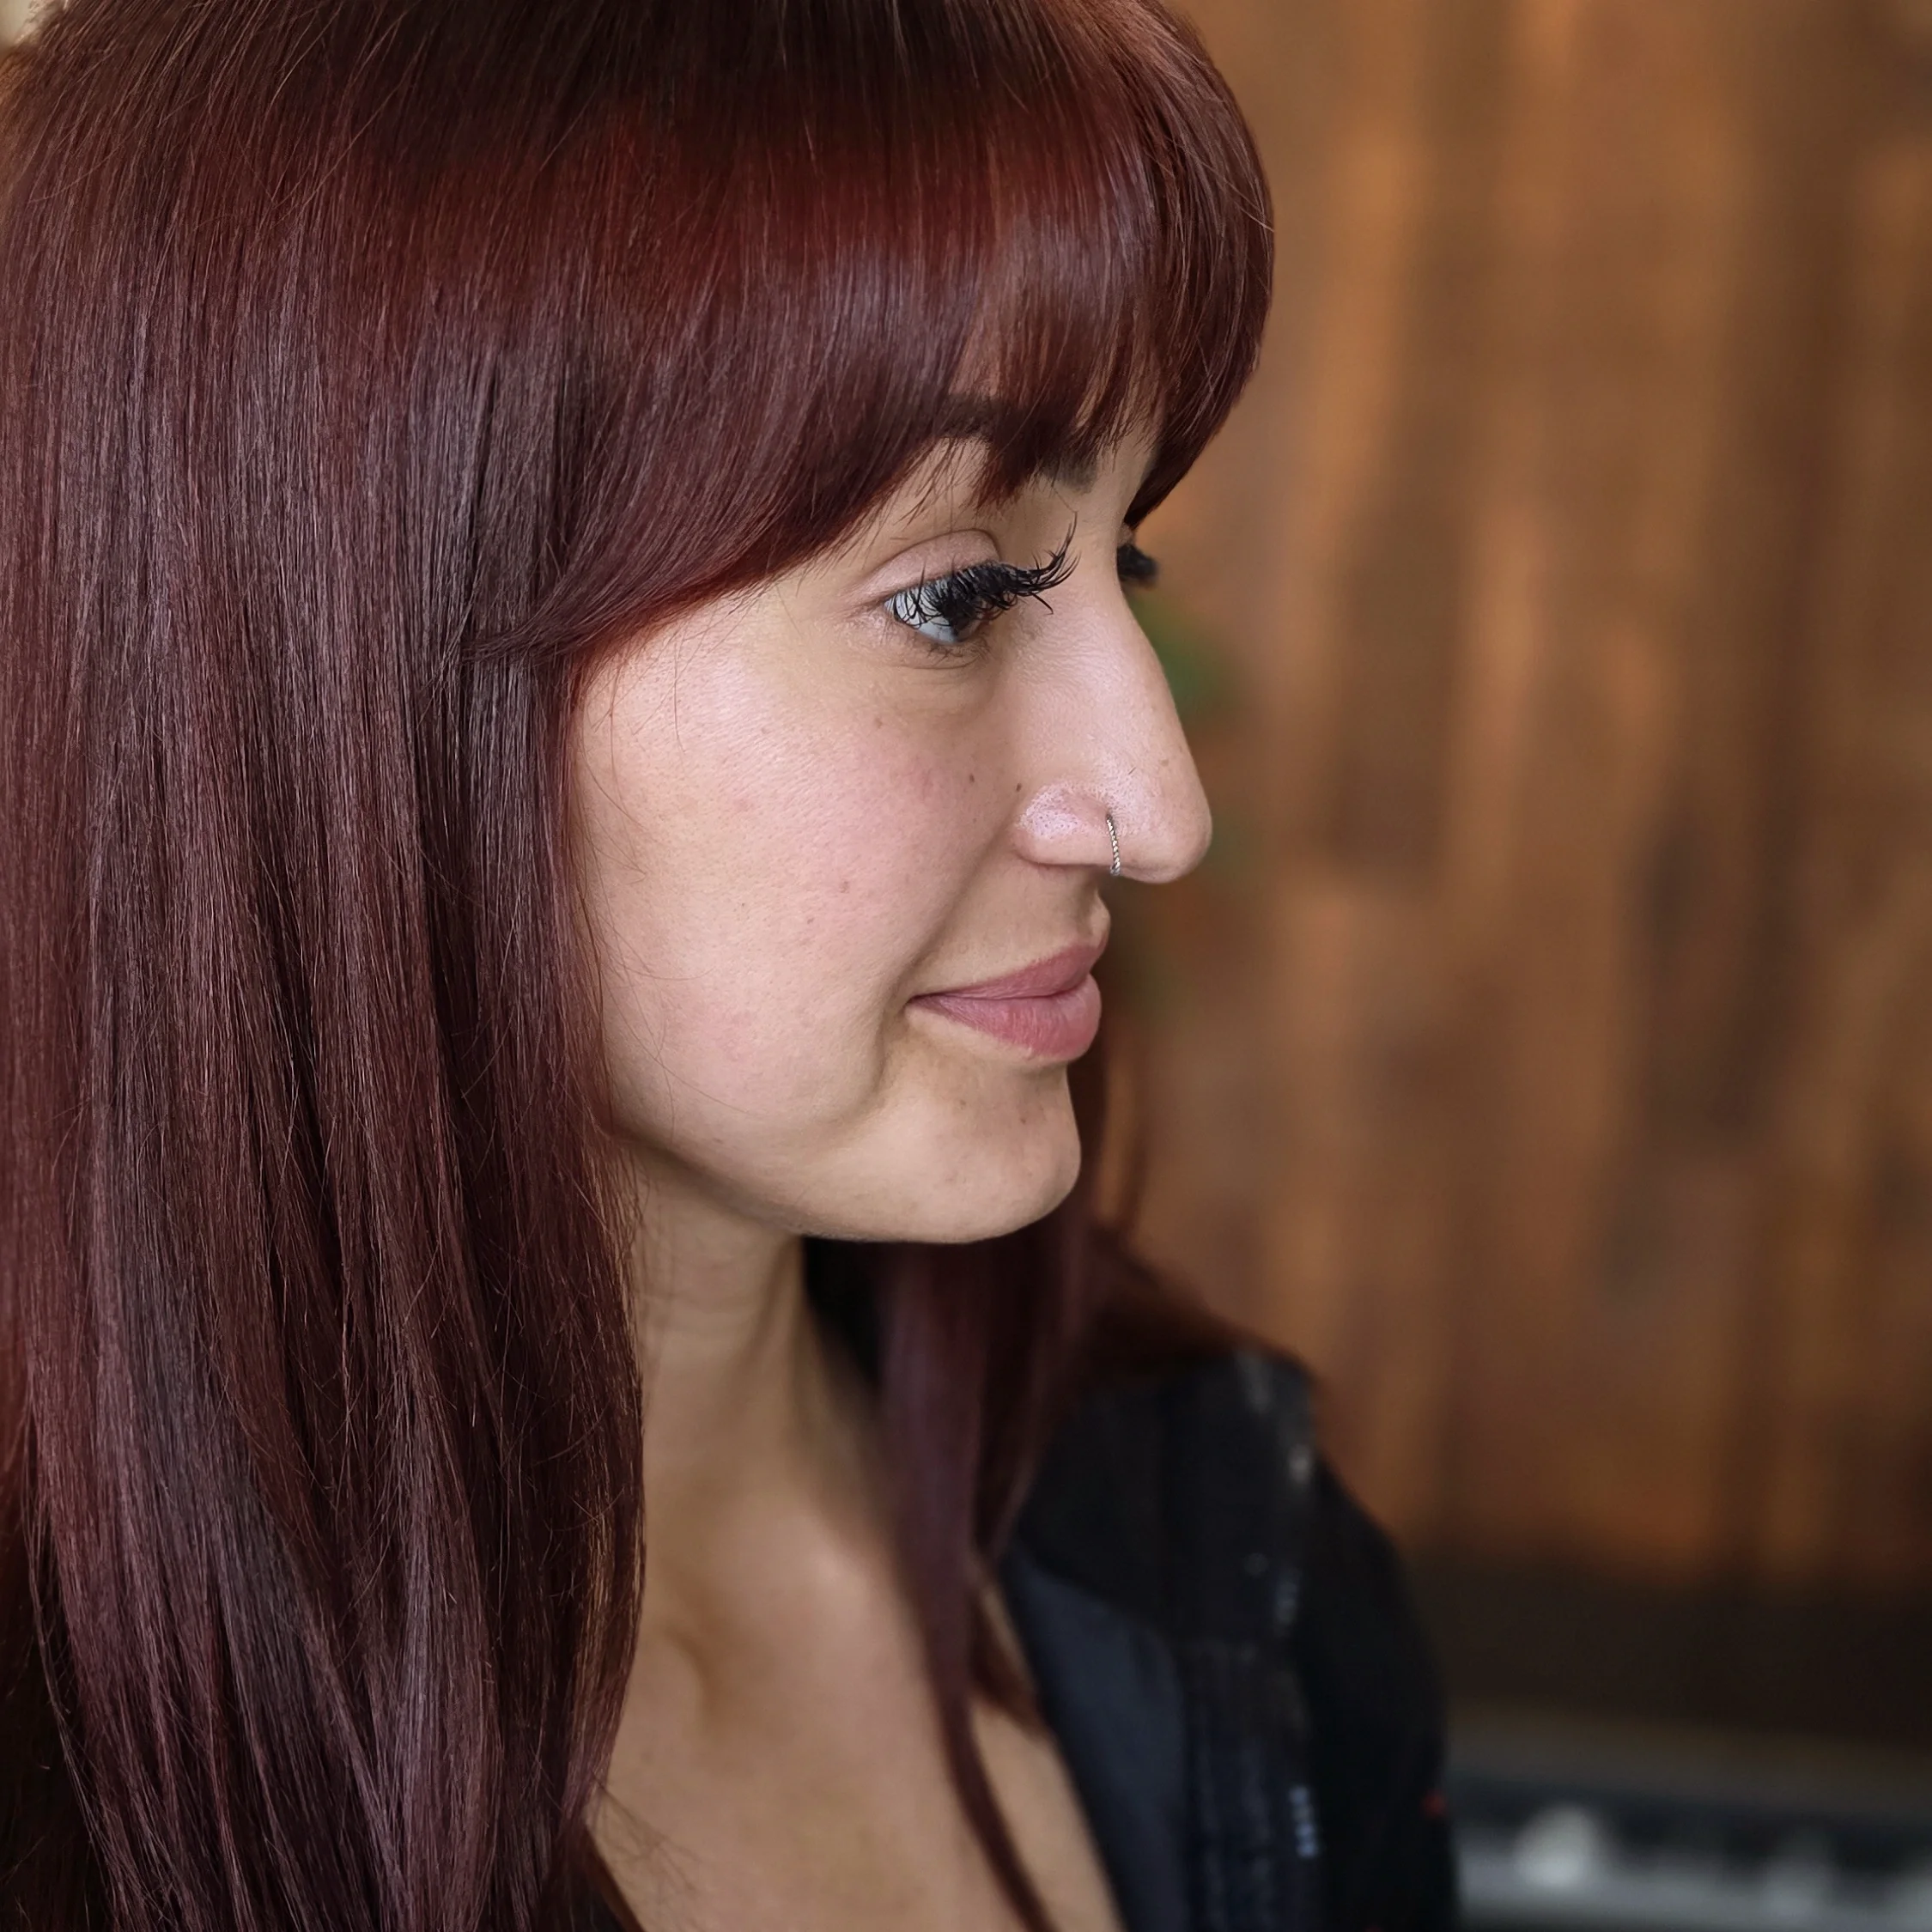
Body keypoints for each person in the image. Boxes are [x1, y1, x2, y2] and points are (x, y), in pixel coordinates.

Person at [0, 2, 1455, 1929]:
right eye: (956, 596)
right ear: (355, 666)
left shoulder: (1219, 1568)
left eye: (1134, 562)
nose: (1154, 807)